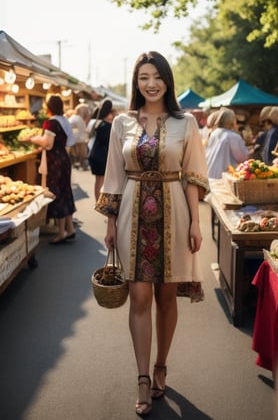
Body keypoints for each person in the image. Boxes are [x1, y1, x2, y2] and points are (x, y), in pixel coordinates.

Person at [95, 51, 209, 416]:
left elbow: (192, 176)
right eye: (144, 76)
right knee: (140, 299)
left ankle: (162, 364)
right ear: (136, 82)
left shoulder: (185, 122)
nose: (151, 83)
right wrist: (110, 224)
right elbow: (113, 176)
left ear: (167, 80)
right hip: (132, 216)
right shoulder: (121, 124)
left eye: (157, 75)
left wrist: (195, 221)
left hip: (175, 215)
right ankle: (143, 377)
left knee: (167, 298)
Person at [30, 95, 76, 244]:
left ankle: (61, 233)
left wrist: (33, 138)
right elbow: (70, 141)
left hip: (54, 161)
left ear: (49, 107)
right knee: (66, 191)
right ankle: (70, 229)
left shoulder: (51, 123)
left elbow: (48, 144)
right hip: (64, 158)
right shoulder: (64, 121)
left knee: (56, 193)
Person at [205, 107, 249, 178]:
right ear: (232, 121)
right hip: (225, 176)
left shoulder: (214, 133)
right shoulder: (233, 136)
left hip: (210, 174)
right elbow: (242, 158)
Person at [87, 98, 115, 201]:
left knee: (98, 180)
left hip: (95, 154)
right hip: (101, 156)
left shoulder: (98, 122)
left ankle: (97, 201)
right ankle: (99, 202)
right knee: (101, 181)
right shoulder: (107, 126)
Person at [69, 103, 91, 170]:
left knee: (74, 154)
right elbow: (81, 131)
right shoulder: (79, 119)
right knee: (81, 154)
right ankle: (82, 165)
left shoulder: (73, 118)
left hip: (73, 139)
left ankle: (77, 164)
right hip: (79, 140)